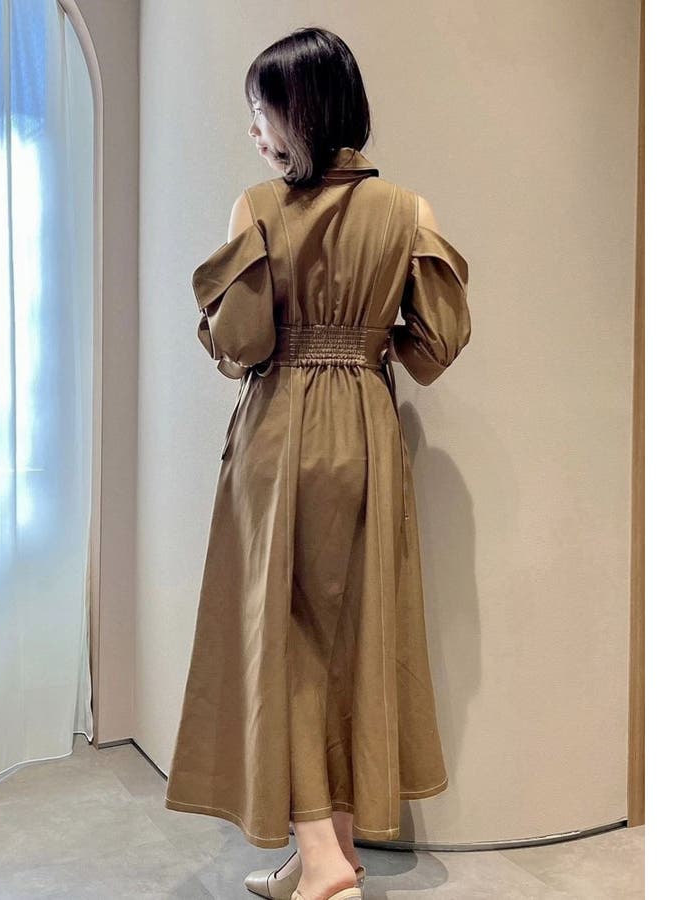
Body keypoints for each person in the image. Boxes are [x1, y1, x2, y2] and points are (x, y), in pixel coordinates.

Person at [164, 26, 471, 900]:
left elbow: (243, 343)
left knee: (286, 639)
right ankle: (327, 849)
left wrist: (230, 329)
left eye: (262, 111)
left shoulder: (258, 207)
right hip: (368, 431)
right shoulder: (410, 211)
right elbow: (435, 346)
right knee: (350, 637)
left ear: (300, 111)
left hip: (284, 434)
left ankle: (327, 865)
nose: (255, 131)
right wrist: (369, 341)